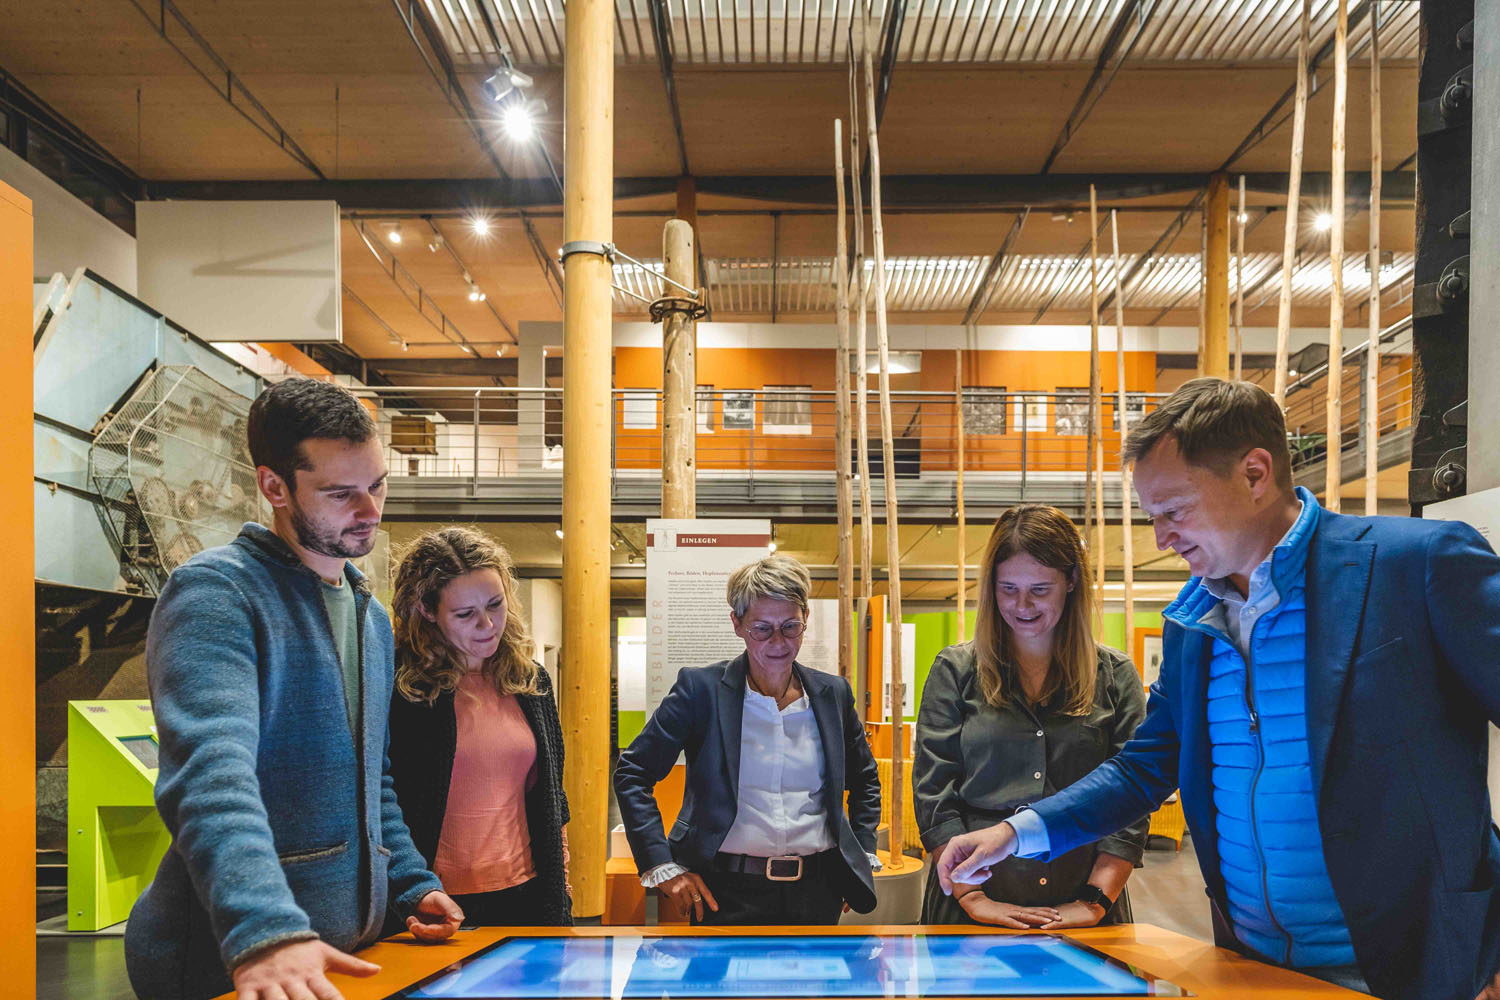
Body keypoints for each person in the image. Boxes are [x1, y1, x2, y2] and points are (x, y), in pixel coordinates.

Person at [936, 377, 1500, 1000]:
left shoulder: (1413, 567)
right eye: (1153, 517)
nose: (1162, 538)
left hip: (1410, 970)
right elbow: (1144, 768)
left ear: (1255, 474)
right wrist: (1016, 833)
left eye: (1174, 510)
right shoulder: (1193, 620)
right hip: (1250, 967)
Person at [124, 378, 463, 1000]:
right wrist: (266, 929)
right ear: (274, 487)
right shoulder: (217, 594)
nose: (370, 512)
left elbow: (373, 777)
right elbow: (208, 776)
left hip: (338, 955)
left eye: (378, 485)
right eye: (341, 493)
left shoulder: (370, 615)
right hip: (229, 959)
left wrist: (412, 882)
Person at [613, 554, 882, 925]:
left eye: (790, 627)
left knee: (815, 985)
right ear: (737, 624)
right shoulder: (701, 691)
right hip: (725, 892)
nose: (778, 642)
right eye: (761, 628)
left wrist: (861, 853)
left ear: (806, 619)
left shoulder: (832, 694)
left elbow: (865, 779)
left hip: (818, 889)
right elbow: (632, 773)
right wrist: (662, 864)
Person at [914, 504, 1146, 930]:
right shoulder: (956, 671)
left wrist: (1095, 902)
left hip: (1085, 905)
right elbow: (934, 794)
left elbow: (1131, 800)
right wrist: (973, 896)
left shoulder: (1114, 677)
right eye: (1007, 589)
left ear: (1071, 583)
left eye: (1039, 589)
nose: (1022, 605)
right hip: (971, 908)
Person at [386, 527, 572, 927]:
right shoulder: (400, 687)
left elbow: (551, 794)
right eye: (465, 614)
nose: (488, 624)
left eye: (495, 604)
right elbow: (382, 802)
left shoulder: (530, 680)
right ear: (427, 610)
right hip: (433, 899)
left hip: (526, 892)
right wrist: (407, 894)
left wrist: (561, 884)